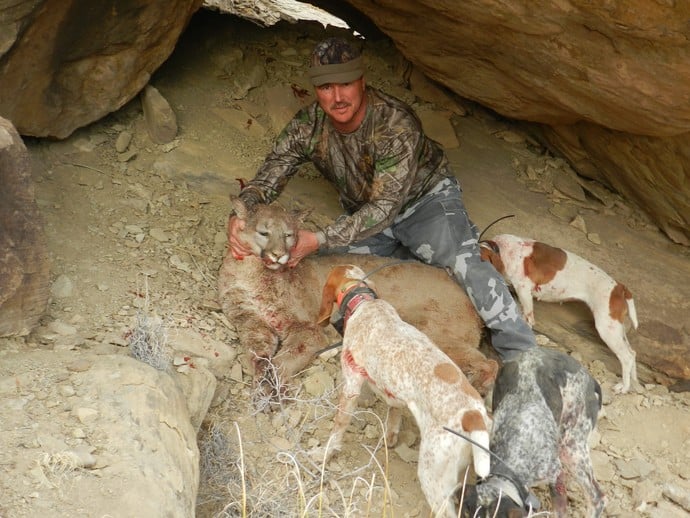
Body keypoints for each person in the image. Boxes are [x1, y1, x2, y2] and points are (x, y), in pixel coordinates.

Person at [227, 36, 536, 360]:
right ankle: (398, 272)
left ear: (361, 81)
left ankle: (521, 354)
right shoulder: (308, 126)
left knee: (465, 265)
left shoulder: (394, 122)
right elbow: (269, 177)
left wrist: (318, 238)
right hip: (367, 218)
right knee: (326, 264)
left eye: (345, 83)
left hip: (424, 204)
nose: (337, 97)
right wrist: (241, 216)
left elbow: (386, 207)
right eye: (325, 87)